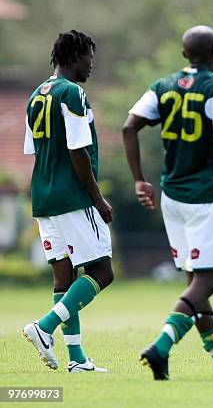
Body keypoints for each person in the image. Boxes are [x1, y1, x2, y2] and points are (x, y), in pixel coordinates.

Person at [123, 25, 213, 380]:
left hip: (172, 197)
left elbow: (129, 127)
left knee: (196, 285)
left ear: (185, 55)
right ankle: (161, 346)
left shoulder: (162, 86)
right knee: (208, 281)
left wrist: (140, 178)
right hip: (206, 197)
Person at [22, 30, 114, 373]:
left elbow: (34, 151)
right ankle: (44, 328)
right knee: (102, 271)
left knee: (64, 278)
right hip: (72, 197)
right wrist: (98, 198)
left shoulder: (35, 95)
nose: (91, 65)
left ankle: (77, 360)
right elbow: (77, 150)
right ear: (75, 57)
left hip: (43, 196)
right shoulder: (73, 93)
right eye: (89, 57)